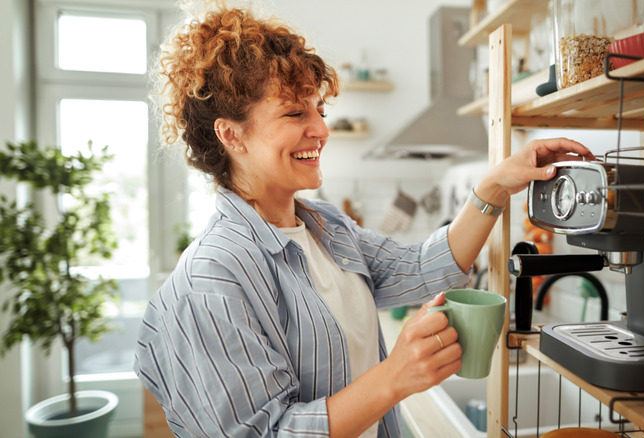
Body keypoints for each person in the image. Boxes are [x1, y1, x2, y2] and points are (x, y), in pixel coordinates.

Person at [134, 5, 595, 438]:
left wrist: (495, 186)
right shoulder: (214, 275)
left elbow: (421, 268)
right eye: (295, 112)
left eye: (319, 109)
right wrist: (394, 377)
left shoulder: (326, 227)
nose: (320, 128)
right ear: (231, 134)